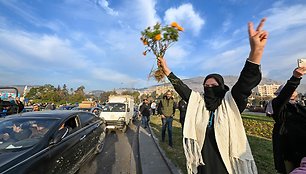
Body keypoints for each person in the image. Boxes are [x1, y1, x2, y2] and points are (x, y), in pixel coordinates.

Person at [157, 18, 268, 174]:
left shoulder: (230, 102)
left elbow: (246, 81)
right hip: (203, 162)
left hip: (226, 163)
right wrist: (167, 70)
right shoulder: (199, 103)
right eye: (206, 86)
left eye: (214, 86)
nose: (209, 89)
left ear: (222, 87)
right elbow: (181, 88)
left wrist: (256, 52)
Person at [266, 67, 306, 174]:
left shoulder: (300, 106)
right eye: (289, 90)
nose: (292, 92)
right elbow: (284, 96)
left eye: (294, 90)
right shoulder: (278, 106)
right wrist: (295, 78)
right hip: (288, 150)